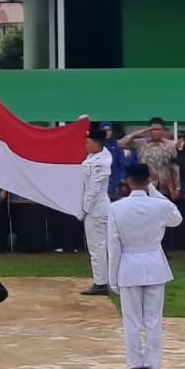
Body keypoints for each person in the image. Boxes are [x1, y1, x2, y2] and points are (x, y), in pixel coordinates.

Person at [107, 163, 181, 369]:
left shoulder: (116, 208)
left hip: (129, 265)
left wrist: (112, 277)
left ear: (128, 181)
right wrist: (154, 191)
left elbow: (113, 245)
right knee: (153, 320)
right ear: (148, 180)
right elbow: (176, 218)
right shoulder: (158, 205)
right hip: (154, 264)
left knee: (131, 321)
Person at [78, 127, 113, 297]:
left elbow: (94, 189)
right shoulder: (93, 157)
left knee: (97, 246)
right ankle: (103, 280)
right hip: (94, 207)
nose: (85, 144)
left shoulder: (101, 161)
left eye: (88, 141)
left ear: (96, 143)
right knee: (99, 245)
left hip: (96, 209)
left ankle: (101, 283)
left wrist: (84, 209)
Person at [120, 119, 178, 197]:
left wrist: (176, 188)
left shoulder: (170, 145)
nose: (156, 132)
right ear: (149, 130)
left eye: (159, 129)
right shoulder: (140, 143)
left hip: (165, 187)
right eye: (153, 129)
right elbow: (120, 144)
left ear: (163, 131)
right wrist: (135, 134)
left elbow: (174, 167)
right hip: (145, 185)